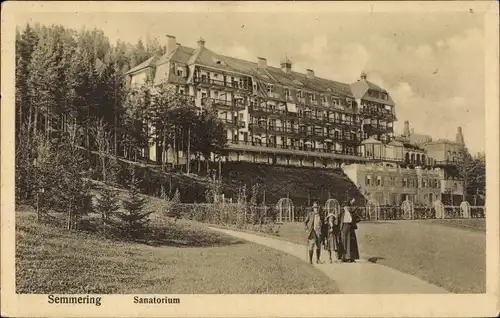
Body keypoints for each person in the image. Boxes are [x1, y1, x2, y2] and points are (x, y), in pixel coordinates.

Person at [339, 198, 360, 263]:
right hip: (343, 229)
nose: (346, 208)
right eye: (345, 207)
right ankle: (343, 257)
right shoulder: (342, 214)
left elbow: (358, 219)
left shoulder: (352, 213)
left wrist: (353, 222)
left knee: (350, 243)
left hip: (350, 228)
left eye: (347, 207)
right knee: (343, 243)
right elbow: (338, 221)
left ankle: (350, 257)